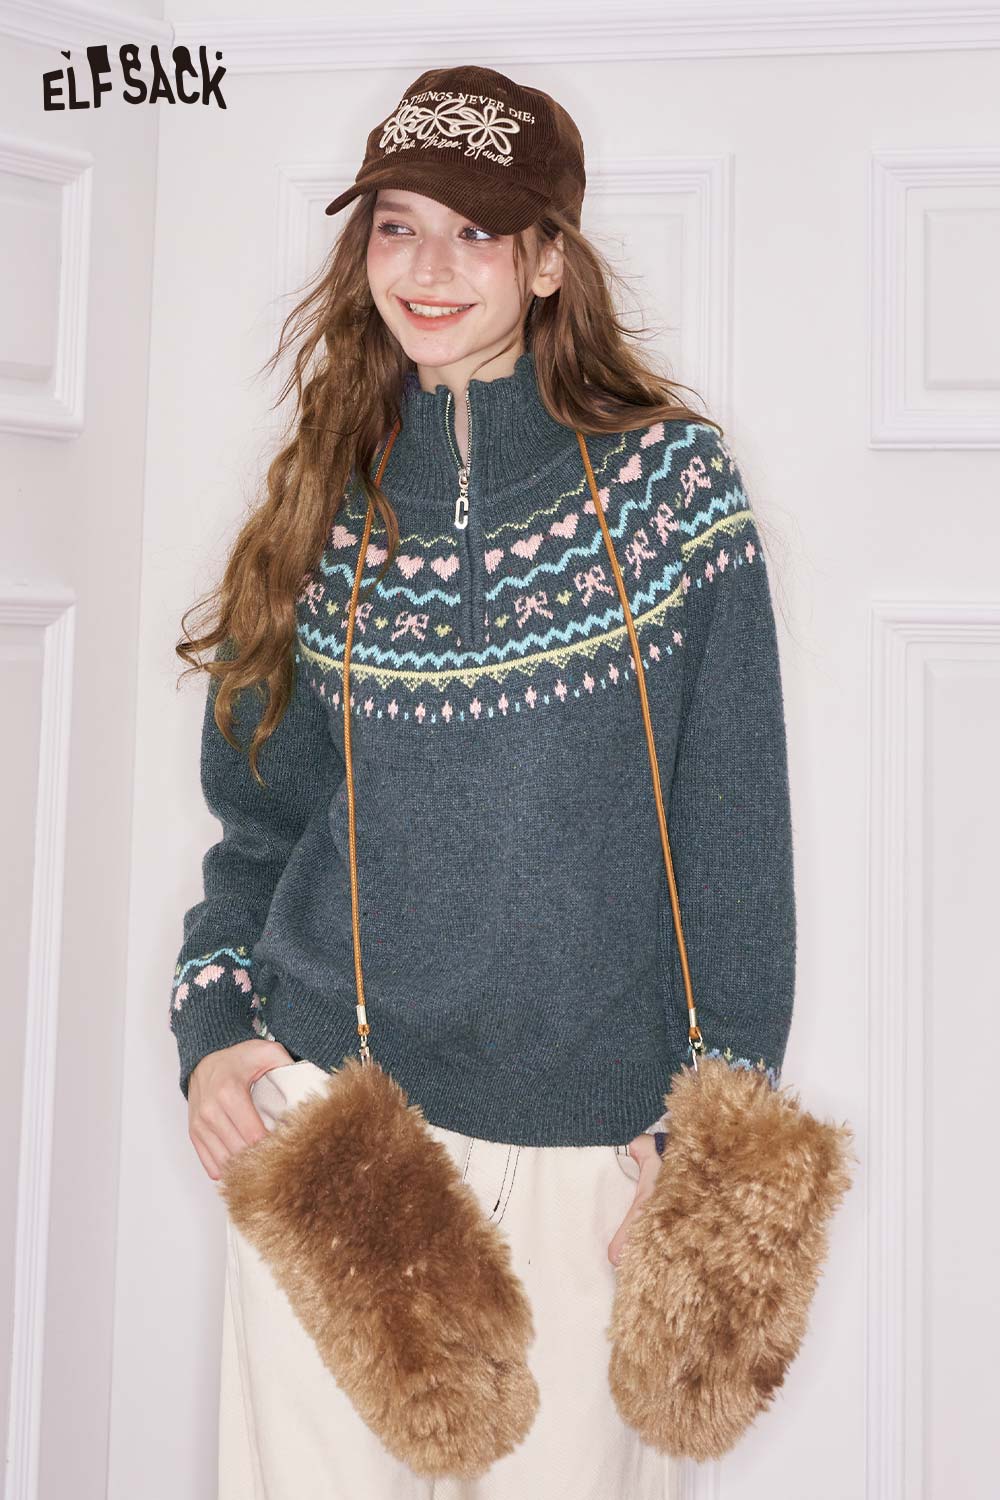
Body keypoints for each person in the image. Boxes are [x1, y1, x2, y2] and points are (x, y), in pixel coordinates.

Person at [169, 64, 796, 1499]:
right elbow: (257, 826)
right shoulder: (318, 505)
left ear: (549, 260)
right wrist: (211, 1030)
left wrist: (709, 1146)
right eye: (396, 226)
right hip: (338, 1135)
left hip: (596, 1157)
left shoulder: (673, 492)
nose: (429, 269)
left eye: (475, 233)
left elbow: (734, 839)